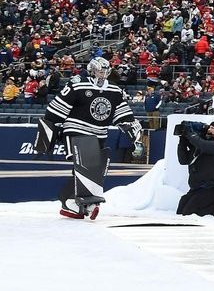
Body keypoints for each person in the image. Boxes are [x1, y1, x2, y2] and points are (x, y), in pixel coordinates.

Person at [35, 57, 141, 220]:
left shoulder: (114, 90)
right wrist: (49, 130)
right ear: (92, 70)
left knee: (94, 169)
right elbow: (56, 109)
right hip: (76, 130)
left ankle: (82, 201)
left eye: (105, 71)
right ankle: (71, 201)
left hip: (99, 133)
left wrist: (131, 127)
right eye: (99, 71)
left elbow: (122, 114)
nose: (102, 74)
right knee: (83, 166)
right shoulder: (78, 84)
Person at [175, 121, 214, 217]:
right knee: (181, 210)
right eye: (209, 127)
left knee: (188, 212)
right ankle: (213, 205)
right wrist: (182, 139)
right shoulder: (200, 145)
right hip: (196, 186)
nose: (209, 129)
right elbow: (183, 160)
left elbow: (204, 145)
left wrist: (189, 134)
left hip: (210, 187)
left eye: (213, 128)